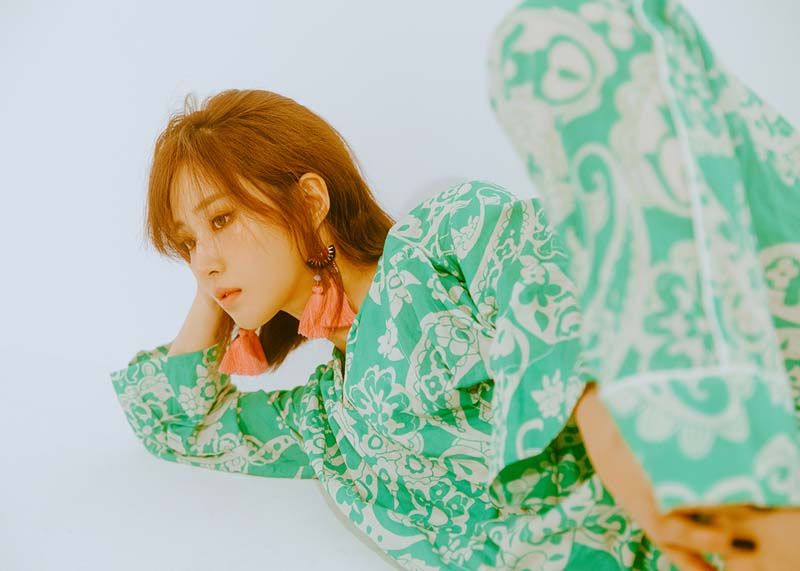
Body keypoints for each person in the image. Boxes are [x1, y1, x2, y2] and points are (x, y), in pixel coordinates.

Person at [109, 89, 738, 570]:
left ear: (308, 201)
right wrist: (214, 290)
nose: (202, 260)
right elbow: (174, 425)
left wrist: (660, 497)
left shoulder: (448, 239)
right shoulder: (329, 421)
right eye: (186, 244)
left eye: (221, 219)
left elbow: (575, 334)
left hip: (698, 520)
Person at [486, 0, 800, 568]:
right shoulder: (327, 412)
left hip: (720, 468)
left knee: (555, 40)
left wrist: (593, 402)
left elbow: (529, 268)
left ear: (316, 198)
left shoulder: (435, 237)